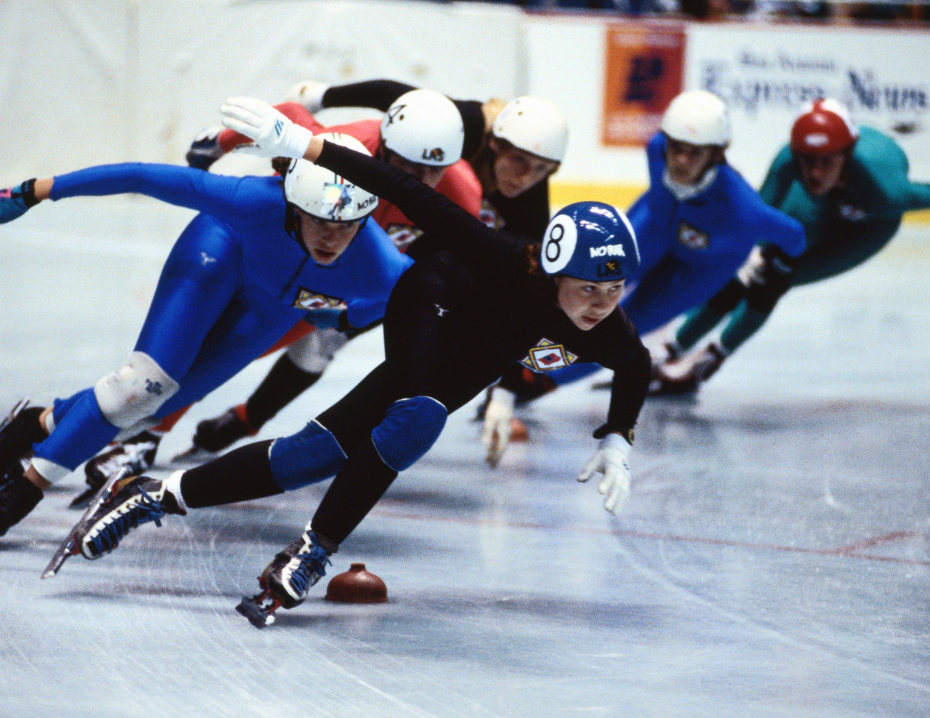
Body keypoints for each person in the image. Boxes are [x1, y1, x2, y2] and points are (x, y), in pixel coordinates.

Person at [65, 97, 651, 624]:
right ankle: (313, 551)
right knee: (419, 420)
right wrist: (304, 144)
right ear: (551, 270)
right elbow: (411, 191)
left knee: (308, 458)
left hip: (474, 358)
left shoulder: (608, 328)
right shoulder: (500, 256)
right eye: (587, 288)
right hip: (430, 300)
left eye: (614, 290)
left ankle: (151, 496)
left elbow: (637, 364)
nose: (600, 305)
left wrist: (618, 438)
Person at [0, 133, 413, 537]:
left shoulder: (381, 265)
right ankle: (25, 490)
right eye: (320, 219)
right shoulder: (253, 201)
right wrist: (34, 191)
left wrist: (343, 318)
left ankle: (31, 425)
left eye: (347, 225)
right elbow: (142, 176)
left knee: (146, 410)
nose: (332, 237)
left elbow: (402, 296)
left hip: (272, 308)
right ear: (294, 204)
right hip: (217, 251)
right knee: (140, 387)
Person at [79, 88, 485, 491]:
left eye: (433, 171)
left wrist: (353, 315)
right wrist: (221, 142)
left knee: (228, 355)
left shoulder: (462, 193)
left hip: (326, 284)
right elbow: (290, 116)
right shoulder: (352, 141)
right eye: (406, 166)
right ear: (382, 148)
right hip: (266, 250)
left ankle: (148, 434)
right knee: (180, 348)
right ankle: (101, 422)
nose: (417, 182)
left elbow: (428, 279)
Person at [174, 79, 570, 463]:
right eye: (519, 161)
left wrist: (504, 390)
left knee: (324, 339)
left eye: (541, 170)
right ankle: (169, 414)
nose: (525, 178)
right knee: (243, 334)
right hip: (352, 221)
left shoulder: (505, 197)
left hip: (405, 254)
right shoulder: (456, 124)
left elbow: (523, 293)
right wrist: (323, 96)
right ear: (493, 144)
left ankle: (247, 419)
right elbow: (395, 96)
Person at [480, 90, 806, 459]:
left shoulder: (744, 209)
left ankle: (535, 377)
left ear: (717, 154)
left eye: (694, 152)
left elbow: (794, 235)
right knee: (578, 283)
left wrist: (779, 275)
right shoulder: (656, 149)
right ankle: (518, 359)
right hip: (658, 226)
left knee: (619, 324)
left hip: (703, 267)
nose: (680, 160)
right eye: (676, 146)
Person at [651, 98, 930, 393]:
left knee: (776, 277)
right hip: (817, 205)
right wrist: (747, 255)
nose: (815, 173)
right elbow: (757, 217)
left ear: (846, 158)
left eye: (827, 162)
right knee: (741, 271)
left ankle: (707, 361)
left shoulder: (887, 193)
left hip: (868, 226)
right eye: (807, 160)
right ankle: (670, 349)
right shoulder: (788, 160)